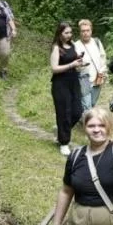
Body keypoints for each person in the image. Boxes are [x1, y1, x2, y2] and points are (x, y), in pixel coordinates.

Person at [50, 21, 89, 156]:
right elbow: (54, 68)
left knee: (77, 111)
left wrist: (80, 62)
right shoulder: (56, 48)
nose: (69, 35)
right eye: (66, 33)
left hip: (74, 81)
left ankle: (61, 131)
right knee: (64, 113)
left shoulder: (72, 45)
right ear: (60, 33)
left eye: (70, 32)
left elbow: (74, 60)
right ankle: (64, 142)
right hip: (60, 84)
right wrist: (71, 65)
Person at [74, 19, 108, 109]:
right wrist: (79, 65)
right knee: (87, 106)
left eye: (87, 30)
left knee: (92, 104)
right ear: (80, 32)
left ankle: (84, 116)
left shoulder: (96, 42)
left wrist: (102, 71)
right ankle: (86, 117)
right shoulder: (76, 45)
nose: (85, 33)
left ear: (91, 31)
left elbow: (103, 58)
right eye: (83, 31)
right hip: (83, 80)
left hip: (97, 78)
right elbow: (73, 65)